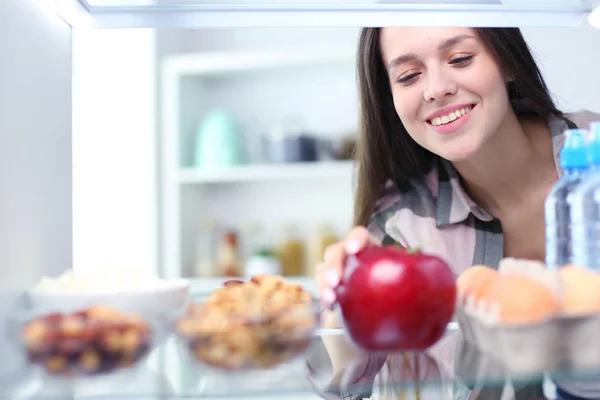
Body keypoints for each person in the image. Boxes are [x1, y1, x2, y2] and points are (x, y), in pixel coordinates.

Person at [313, 27, 600, 400]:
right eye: (409, 76)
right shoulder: (401, 228)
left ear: (508, 62)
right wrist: (345, 315)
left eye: (461, 59)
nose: (436, 88)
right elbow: (349, 381)